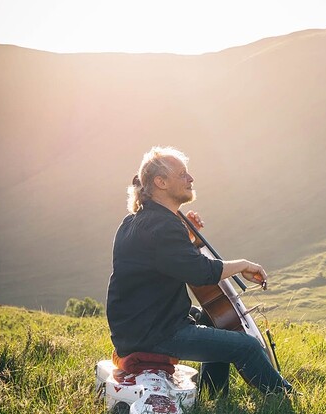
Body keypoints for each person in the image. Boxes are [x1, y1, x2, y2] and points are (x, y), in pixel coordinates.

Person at [106, 146, 292, 395]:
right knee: (246, 346)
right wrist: (243, 265)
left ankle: (213, 394)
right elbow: (200, 272)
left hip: (137, 325)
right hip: (155, 332)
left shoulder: (134, 221)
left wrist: (187, 238)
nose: (190, 178)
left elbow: (168, 261)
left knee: (211, 319)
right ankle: (284, 398)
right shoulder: (163, 226)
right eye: (182, 174)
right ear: (160, 182)